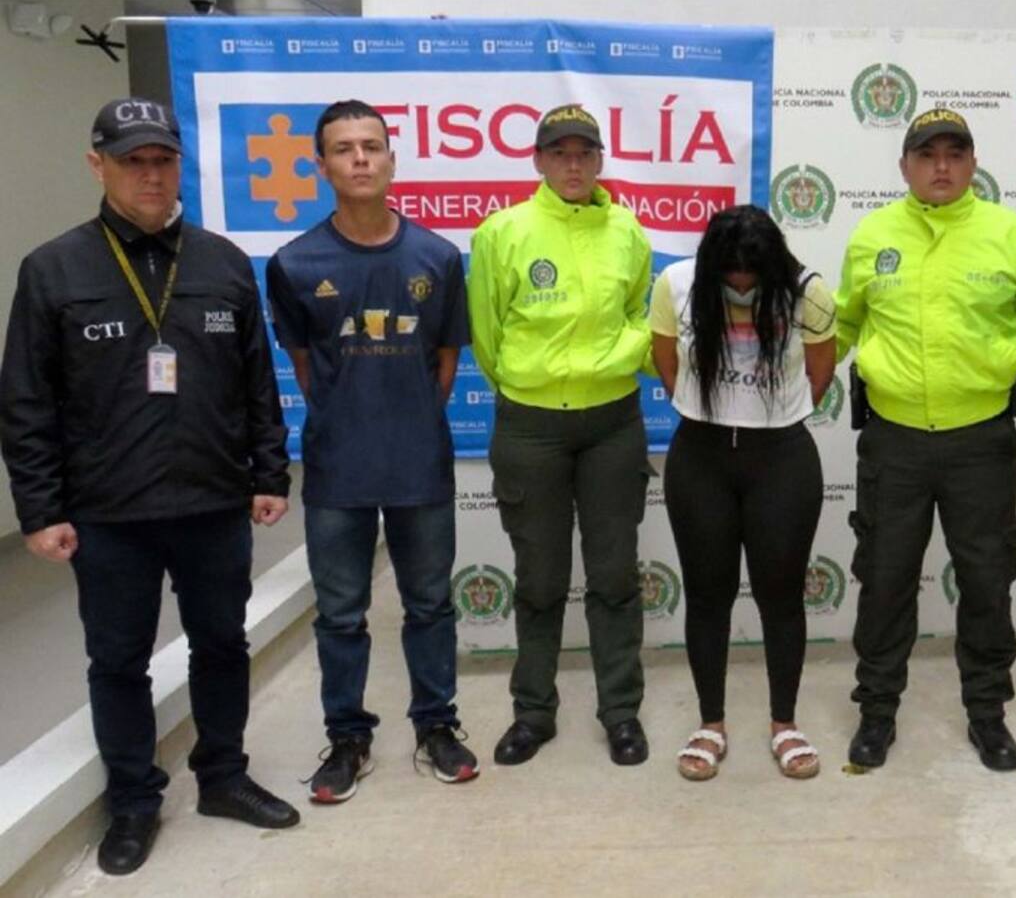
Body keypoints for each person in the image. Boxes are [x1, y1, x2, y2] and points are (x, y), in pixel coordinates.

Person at [0, 98, 299, 876]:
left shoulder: (222, 263)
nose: (151, 175)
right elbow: (26, 400)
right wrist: (41, 509)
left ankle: (223, 777)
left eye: (162, 160)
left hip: (213, 501)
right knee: (118, 660)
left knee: (222, 643)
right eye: (132, 161)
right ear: (96, 165)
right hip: (109, 513)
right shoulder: (54, 269)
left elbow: (256, 382)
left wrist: (269, 471)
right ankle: (134, 801)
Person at [267, 100, 477, 800]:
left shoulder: (437, 258)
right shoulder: (294, 263)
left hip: (419, 463)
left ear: (392, 159)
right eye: (343, 148)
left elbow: (444, 362)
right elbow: (306, 366)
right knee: (339, 615)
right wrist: (351, 415)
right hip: (338, 469)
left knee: (430, 606)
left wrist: (405, 418)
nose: (360, 159)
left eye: (371, 146)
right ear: (321, 165)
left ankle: (437, 726)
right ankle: (347, 738)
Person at [835, 108, 1016, 771]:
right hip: (893, 441)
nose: (941, 167)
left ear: (973, 163)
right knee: (885, 578)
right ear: (904, 166)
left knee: (987, 580)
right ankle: (877, 712)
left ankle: (988, 714)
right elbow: (845, 325)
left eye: (955, 155)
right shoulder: (873, 236)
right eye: (927, 155)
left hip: (980, 442)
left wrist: (996, 379)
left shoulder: (1013, 236)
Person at [467, 104, 653, 766]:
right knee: (540, 578)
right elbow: (487, 335)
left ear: (599, 160)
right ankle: (533, 712)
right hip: (532, 427)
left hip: (613, 423)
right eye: (559, 154)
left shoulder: (627, 230)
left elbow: (638, 313)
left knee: (614, 575)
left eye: (584, 154)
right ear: (539, 161)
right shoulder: (503, 231)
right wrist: (535, 382)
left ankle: (621, 712)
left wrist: (613, 359)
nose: (573, 165)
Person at [650, 205, 835, 781]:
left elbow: (820, 373)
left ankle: (785, 723)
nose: (740, 285)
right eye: (729, 275)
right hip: (700, 456)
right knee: (708, 595)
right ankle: (711, 722)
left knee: (782, 596)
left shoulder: (808, 292)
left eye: (752, 276)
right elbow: (665, 361)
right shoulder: (676, 284)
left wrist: (766, 416)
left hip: (781, 457)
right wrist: (714, 411)